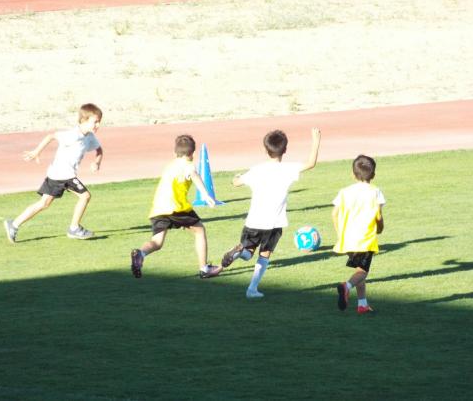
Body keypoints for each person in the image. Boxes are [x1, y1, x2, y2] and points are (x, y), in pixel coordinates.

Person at [220, 128, 321, 299]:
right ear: (285, 150)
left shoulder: (257, 170)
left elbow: (236, 183)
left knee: (248, 253)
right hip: (274, 222)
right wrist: (316, 141)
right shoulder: (288, 169)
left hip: (253, 221)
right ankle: (252, 289)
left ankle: (238, 252)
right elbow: (311, 163)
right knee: (264, 255)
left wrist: (235, 177)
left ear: (265, 149)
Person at [3, 103, 104, 243]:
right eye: (95, 122)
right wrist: (36, 152)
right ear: (83, 120)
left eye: (99, 122)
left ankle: (13, 225)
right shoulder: (72, 135)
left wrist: (97, 162)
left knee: (44, 203)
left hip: (58, 175)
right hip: (63, 175)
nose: (98, 125)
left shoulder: (90, 137)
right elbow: (51, 136)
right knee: (85, 196)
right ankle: (74, 228)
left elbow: (99, 150)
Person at [130, 134, 221, 279]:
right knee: (199, 230)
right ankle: (204, 269)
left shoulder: (170, 165)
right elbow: (194, 175)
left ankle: (140, 253)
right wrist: (205, 194)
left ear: (174, 153)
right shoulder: (188, 165)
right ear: (193, 154)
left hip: (158, 209)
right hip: (176, 208)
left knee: (157, 242)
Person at [333, 155, 385, 314]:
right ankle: (346, 286)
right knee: (363, 271)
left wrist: (339, 232)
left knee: (359, 269)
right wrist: (380, 228)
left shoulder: (344, 192)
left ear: (353, 174)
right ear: (373, 175)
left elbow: (334, 213)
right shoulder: (375, 192)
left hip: (347, 238)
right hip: (365, 239)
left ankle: (362, 304)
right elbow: (379, 215)